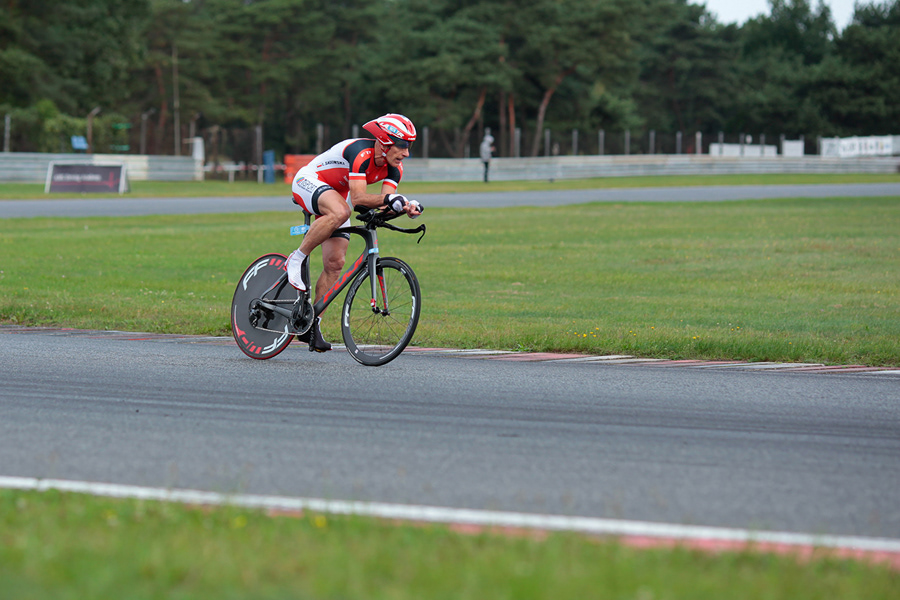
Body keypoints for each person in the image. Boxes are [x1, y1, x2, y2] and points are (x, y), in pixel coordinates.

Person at [286, 113, 423, 352]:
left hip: (336, 195)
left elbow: (381, 206)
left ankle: (311, 324)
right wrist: (391, 198)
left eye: (409, 146)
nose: (406, 153)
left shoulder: (394, 169)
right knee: (341, 211)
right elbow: (359, 199)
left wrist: (404, 208)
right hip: (309, 180)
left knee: (336, 262)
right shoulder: (361, 154)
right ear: (384, 142)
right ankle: (295, 259)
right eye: (402, 145)